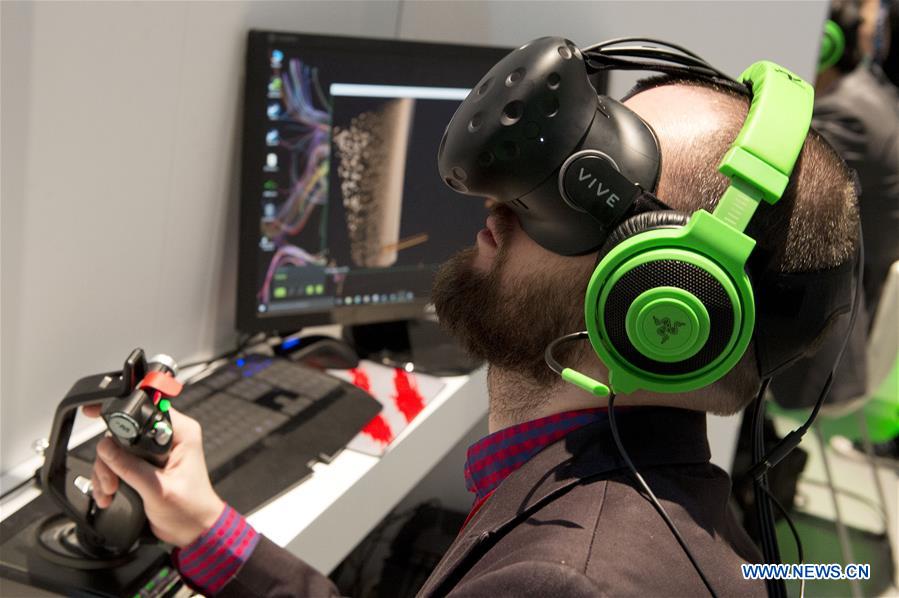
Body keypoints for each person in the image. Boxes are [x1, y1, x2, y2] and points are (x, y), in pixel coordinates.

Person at [83, 66, 859, 597]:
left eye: (577, 191)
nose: (496, 205)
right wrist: (209, 532)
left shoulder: (566, 582)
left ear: (661, 305)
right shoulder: (656, 509)